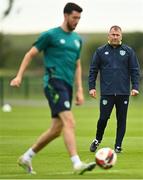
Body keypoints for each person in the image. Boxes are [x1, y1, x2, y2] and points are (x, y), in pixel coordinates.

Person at [10, 2, 96, 175]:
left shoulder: (77, 40)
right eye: (74, 17)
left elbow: (77, 65)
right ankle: (77, 163)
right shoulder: (50, 35)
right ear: (65, 16)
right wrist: (19, 76)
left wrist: (80, 89)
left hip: (67, 85)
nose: (77, 21)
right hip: (53, 82)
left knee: (56, 130)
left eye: (79, 18)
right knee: (70, 122)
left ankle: (26, 157)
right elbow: (30, 54)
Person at [88, 25, 140, 153]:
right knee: (103, 118)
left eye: (117, 35)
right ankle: (97, 140)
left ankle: (118, 146)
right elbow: (93, 70)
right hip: (107, 92)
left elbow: (135, 70)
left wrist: (135, 87)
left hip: (123, 92)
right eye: (113, 34)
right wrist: (92, 87)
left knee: (121, 120)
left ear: (121, 36)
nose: (115, 37)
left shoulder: (128, 51)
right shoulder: (100, 51)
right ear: (108, 36)